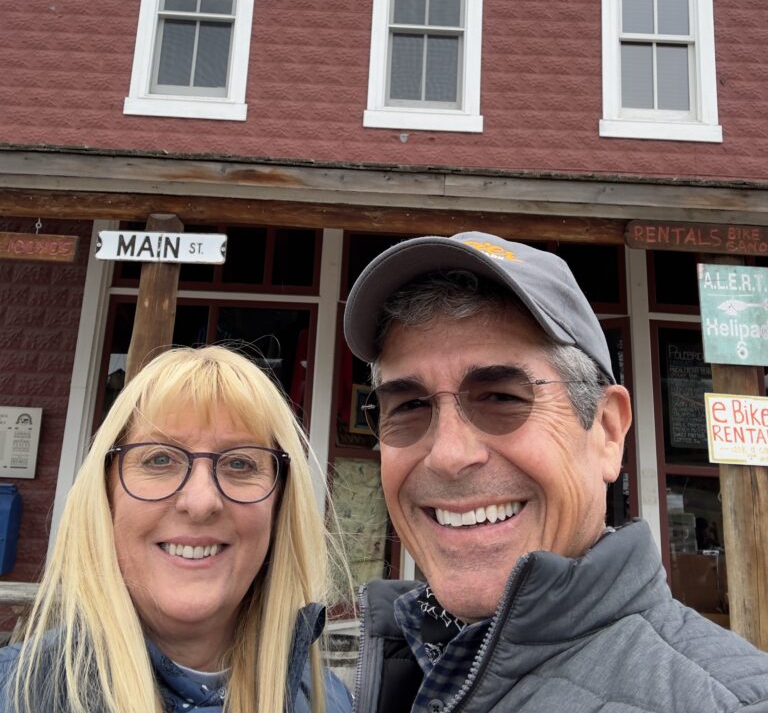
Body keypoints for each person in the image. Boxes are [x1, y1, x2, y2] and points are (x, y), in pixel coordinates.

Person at [343, 231, 768, 713]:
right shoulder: (385, 669)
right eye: (411, 405)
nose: (447, 455)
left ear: (607, 432)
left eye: (502, 397)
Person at [0, 345, 352, 713]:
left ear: (280, 506)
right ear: (106, 496)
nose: (201, 503)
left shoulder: (331, 702)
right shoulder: (13, 692)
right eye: (160, 458)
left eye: (240, 464)